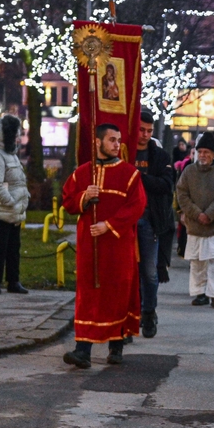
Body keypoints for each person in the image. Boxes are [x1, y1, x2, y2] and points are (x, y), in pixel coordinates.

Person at [61, 124, 147, 368]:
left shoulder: (130, 174)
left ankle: (116, 346)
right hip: (90, 245)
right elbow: (68, 201)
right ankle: (82, 351)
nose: (117, 144)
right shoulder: (82, 173)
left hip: (118, 245)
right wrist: (84, 197)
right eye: (111, 140)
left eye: (118, 140)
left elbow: (137, 205)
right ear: (97, 142)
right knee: (88, 294)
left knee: (116, 293)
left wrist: (108, 225)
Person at [176, 131, 214, 308]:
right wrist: (196, 214)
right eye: (200, 152)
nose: (202, 155)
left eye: (206, 152)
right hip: (195, 225)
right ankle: (199, 293)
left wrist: (209, 214)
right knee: (197, 261)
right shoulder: (189, 171)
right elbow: (182, 194)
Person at [134, 112, 175, 338]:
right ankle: (130, 316)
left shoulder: (159, 155)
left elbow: (166, 185)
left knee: (149, 273)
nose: (145, 135)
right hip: (126, 220)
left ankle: (148, 311)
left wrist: (139, 178)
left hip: (150, 219)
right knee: (128, 273)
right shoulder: (124, 152)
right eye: (141, 130)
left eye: (149, 131)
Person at [0, 115, 30, 296]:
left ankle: (13, 281)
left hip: (13, 209)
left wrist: (22, 199)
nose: (18, 137)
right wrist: (10, 202)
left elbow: (18, 181)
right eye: (15, 134)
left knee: (13, 247)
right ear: (6, 135)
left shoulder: (10, 155)